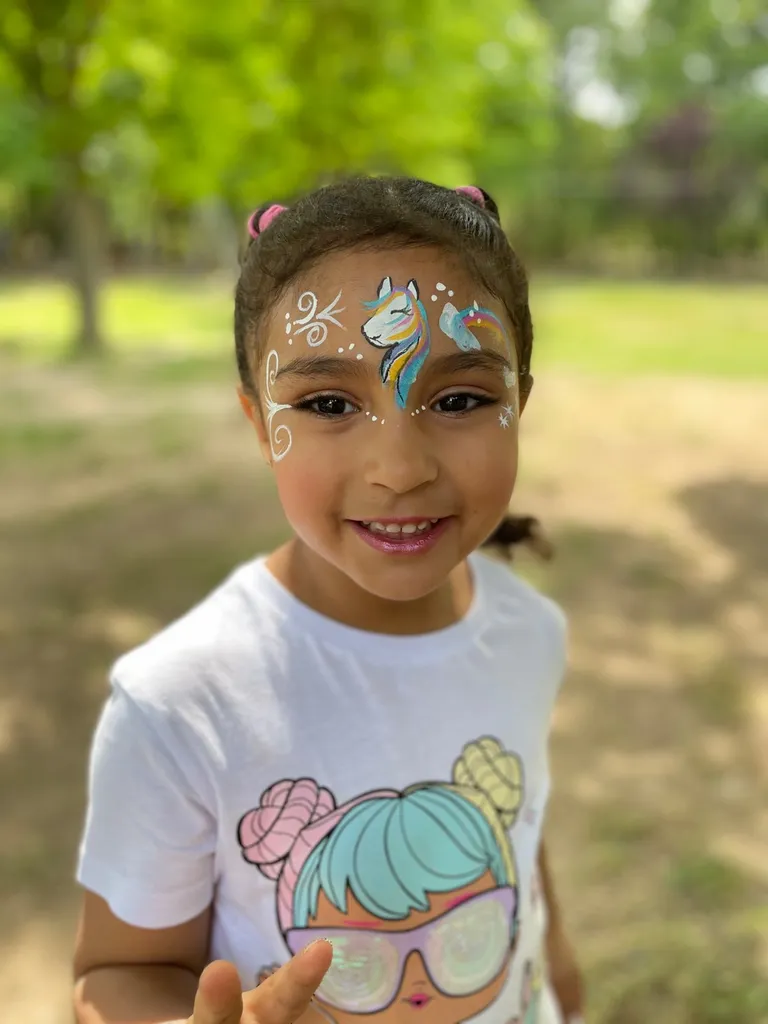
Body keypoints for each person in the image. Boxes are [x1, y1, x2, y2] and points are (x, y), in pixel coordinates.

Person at [72, 177, 585, 1024]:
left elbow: (519, 818)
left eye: (460, 399)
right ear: (256, 420)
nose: (400, 467)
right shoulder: (180, 706)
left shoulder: (531, 631)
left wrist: (554, 952)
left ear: (517, 402)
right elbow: (117, 970)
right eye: (327, 404)